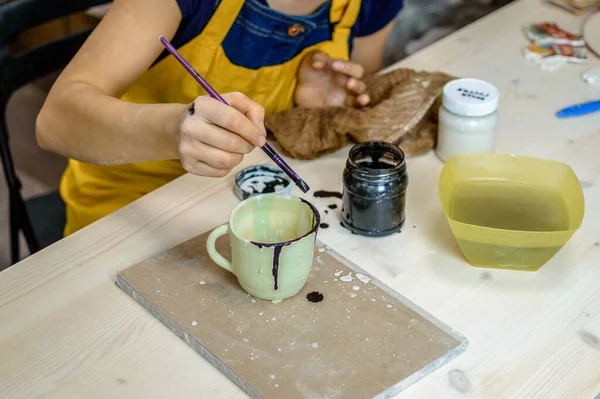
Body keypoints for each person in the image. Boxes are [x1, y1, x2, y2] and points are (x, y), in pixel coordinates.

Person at [36, 0, 404, 236]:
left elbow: (361, 87)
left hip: (253, 207)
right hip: (135, 213)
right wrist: (173, 130)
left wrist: (308, 107)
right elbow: (54, 122)